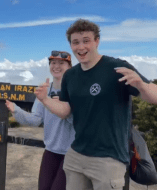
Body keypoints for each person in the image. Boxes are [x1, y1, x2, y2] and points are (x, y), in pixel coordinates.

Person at [34, 19, 157, 190]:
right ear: (71, 45)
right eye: (76, 42)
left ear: (97, 41)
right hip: (76, 155)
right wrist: (45, 99)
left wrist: (142, 85)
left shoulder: (116, 68)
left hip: (109, 159)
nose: (81, 47)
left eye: (86, 40)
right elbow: (65, 111)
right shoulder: (71, 75)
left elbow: (154, 96)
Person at [5, 51, 75, 190]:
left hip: (72, 153)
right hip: (50, 150)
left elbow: (82, 121)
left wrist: (62, 109)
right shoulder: (45, 90)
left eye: (61, 63)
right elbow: (35, 120)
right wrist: (16, 110)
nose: (56, 66)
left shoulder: (75, 90)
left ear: (69, 67)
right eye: (53, 63)